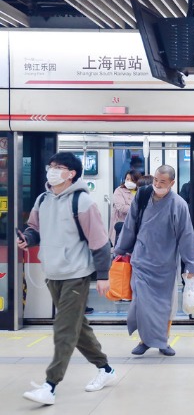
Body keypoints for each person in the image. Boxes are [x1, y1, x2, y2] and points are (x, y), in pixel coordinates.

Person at [17, 152, 116, 405]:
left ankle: (50, 386)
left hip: (76, 274)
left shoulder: (83, 202)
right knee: (76, 326)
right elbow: (35, 228)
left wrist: (103, 276)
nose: (52, 170)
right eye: (50, 166)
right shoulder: (43, 199)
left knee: (63, 329)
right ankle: (105, 368)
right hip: (53, 272)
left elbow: (100, 242)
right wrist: (27, 239)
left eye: (58, 167)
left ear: (71, 173)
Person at [114, 165, 194, 356]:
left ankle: (163, 341)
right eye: (155, 180)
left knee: (164, 307)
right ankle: (145, 341)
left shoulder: (179, 204)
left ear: (172, 183)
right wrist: (120, 249)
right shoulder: (142, 196)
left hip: (165, 264)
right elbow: (129, 225)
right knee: (141, 304)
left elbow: (187, 236)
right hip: (141, 260)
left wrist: (192, 265)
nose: (157, 184)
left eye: (162, 182)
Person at [110, 169, 141, 245]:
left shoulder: (140, 191)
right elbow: (121, 208)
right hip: (121, 222)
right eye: (127, 179)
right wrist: (138, 208)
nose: (129, 181)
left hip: (136, 224)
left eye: (132, 180)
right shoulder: (119, 190)